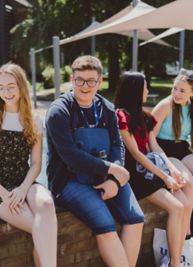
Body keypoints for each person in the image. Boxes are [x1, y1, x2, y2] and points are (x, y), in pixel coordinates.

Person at [46, 55, 144, 267]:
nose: (85, 86)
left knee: (135, 218)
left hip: (105, 176)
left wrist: (114, 180)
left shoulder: (107, 109)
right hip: (69, 181)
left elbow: (117, 146)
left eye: (91, 81)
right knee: (105, 224)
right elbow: (70, 155)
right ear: (72, 80)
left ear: (99, 82)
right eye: (80, 80)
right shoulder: (59, 112)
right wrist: (112, 169)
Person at [0, 63, 57, 267]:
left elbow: (36, 163)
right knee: (43, 229)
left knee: (46, 204)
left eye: (11, 86)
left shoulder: (34, 120)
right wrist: (3, 193)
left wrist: (23, 188)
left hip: (24, 183)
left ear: (21, 87)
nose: (6, 92)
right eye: (1, 87)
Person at [114, 72, 193, 267]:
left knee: (184, 205)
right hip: (135, 173)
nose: (148, 91)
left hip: (151, 169)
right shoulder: (121, 116)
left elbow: (154, 147)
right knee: (176, 207)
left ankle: (176, 258)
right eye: (145, 87)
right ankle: (174, 263)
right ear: (134, 91)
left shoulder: (145, 116)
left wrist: (171, 169)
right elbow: (136, 154)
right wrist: (165, 178)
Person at [151, 69, 193, 238]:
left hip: (182, 148)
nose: (177, 94)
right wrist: (163, 161)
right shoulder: (165, 105)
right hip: (165, 149)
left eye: (182, 90)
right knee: (189, 183)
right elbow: (150, 137)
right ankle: (186, 233)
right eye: (175, 88)